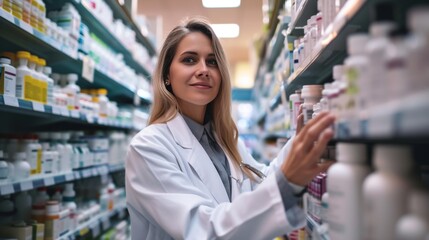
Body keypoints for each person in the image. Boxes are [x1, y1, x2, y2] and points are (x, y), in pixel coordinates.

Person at [125, 17, 335, 239]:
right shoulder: (148, 147)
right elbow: (204, 230)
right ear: (167, 75)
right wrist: (287, 183)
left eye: (212, 61)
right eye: (189, 60)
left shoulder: (225, 141)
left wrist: (301, 143)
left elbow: (261, 186)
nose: (203, 70)